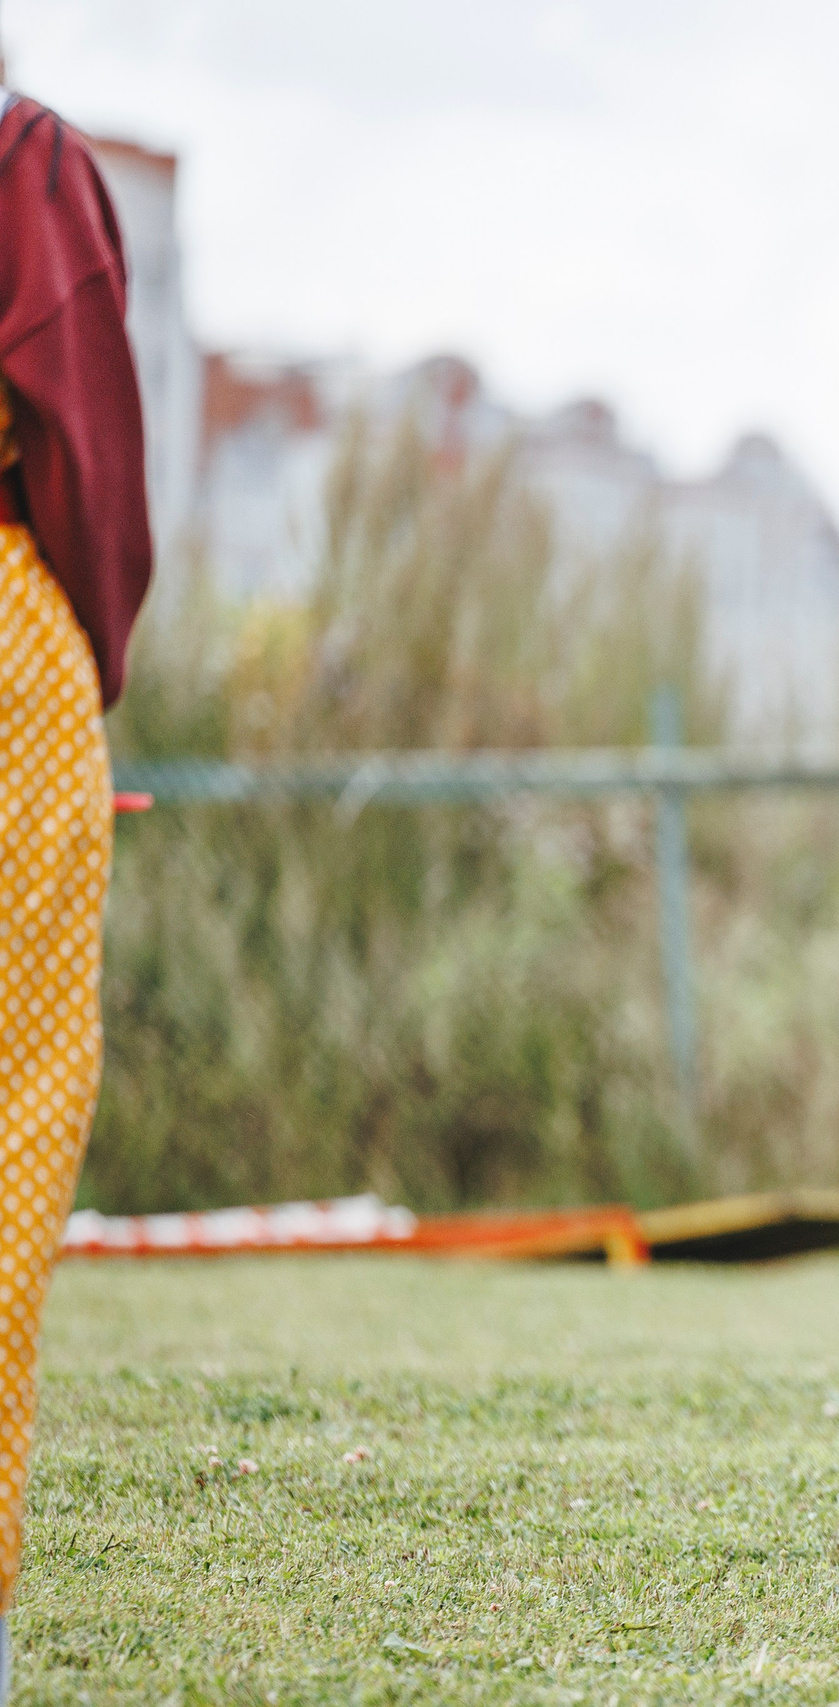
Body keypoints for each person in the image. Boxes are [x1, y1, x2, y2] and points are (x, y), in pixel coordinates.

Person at [0, 84, 155, 1690]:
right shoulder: (19, 160)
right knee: (8, 1119)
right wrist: (79, 656)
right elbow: (89, 473)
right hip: (2, 646)